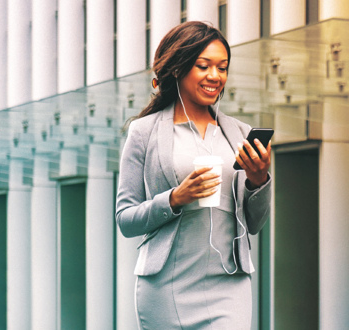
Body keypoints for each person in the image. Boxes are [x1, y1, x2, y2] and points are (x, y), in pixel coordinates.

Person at [116, 21, 271, 329]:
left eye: (222, 67)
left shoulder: (239, 134)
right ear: (178, 68)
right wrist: (174, 199)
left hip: (230, 285)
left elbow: (255, 223)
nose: (215, 76)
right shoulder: (144, 132)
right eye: (204, 66)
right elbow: (125, 219)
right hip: (166, 286)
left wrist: (259, 181)